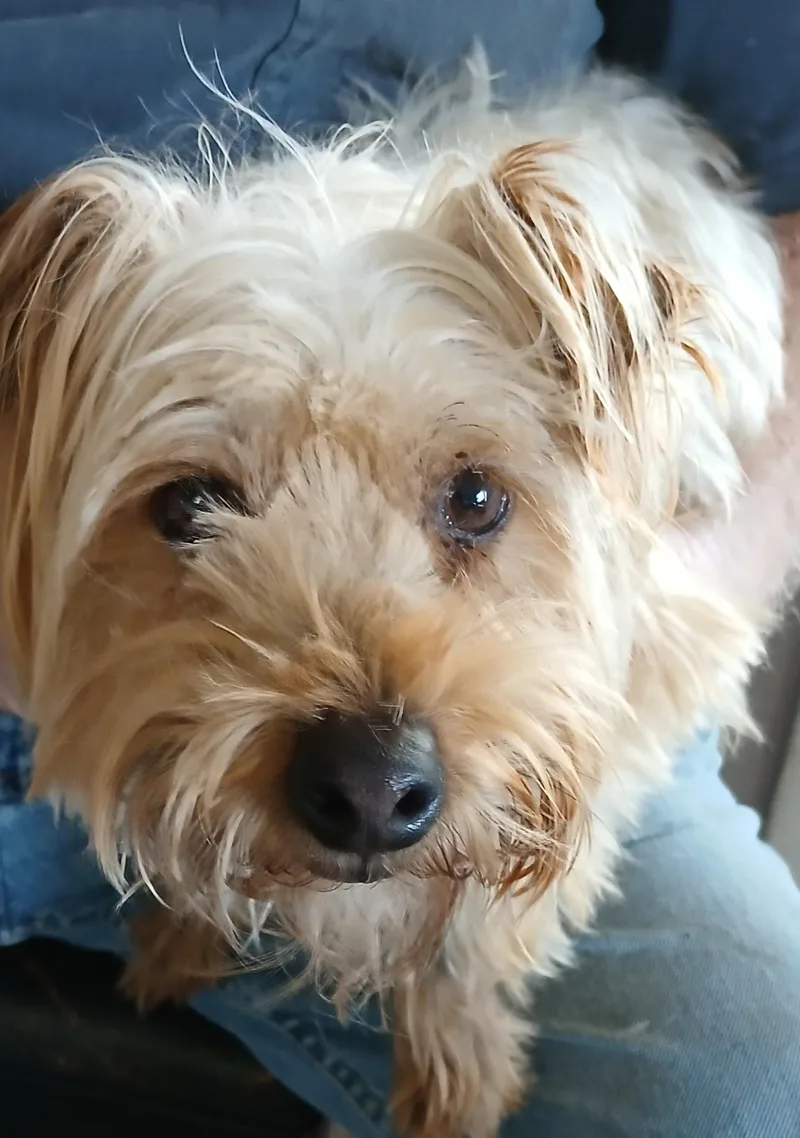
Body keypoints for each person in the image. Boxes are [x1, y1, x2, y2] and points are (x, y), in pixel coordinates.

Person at [1, 3, 799, 1135]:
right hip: (76, 675)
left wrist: (641, 615)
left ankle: (450, 993)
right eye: (196, 506)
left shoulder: (542, 306)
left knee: (751, 1082)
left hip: (609, 580)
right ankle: (193, 890)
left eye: (467, 503)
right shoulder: (73, 310)